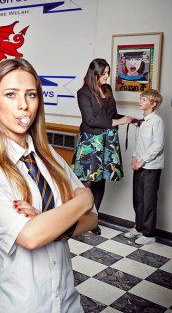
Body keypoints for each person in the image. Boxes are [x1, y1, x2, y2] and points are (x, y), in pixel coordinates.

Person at [0, 58, 97, 312]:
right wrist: (84, 199)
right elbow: (31, 236)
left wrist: (50, 222)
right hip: (18, 302)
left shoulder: (50, 157)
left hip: (66, 300)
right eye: (11, 94)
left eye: (31, 95)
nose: (23, 105)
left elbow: (92, 219)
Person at [72, 58, 135, 235]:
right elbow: (90, 120)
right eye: (104, 73)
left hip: (108, 140)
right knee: (87, 181)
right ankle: (74, 219)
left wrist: (127, 119)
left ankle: (93, 220)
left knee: (101, 181)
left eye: (108, 73)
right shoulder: (83, 93)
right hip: (91, 142)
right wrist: (118, 121)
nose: (107, 77)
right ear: (95, 74)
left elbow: (112, 115)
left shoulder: (107, 90)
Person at [125, 89, 164, 245]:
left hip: (151, 167)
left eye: (144, 99)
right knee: (138, 199)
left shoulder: (157, 121)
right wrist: (134, 158)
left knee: (148, 200)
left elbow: (158, 145)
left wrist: (143, 161)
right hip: (139, 165)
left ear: (153, 104)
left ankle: (149, 235)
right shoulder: (142, 121)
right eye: (141, 98)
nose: (140, 101)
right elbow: (138, 143)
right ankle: (139, 227)